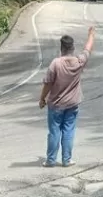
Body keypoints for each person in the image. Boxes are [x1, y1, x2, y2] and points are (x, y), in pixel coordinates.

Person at [39, 26, 96, 167]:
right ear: (72, 48)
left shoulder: (55, 63)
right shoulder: (79, 61)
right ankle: (67, 160)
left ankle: (51, 160)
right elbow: (88, 49)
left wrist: (42, 99)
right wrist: (91, 35)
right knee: (68, 131)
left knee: (54, 132)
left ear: (61, 48)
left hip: (56, 105)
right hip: (72, 104)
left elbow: (47, 84)